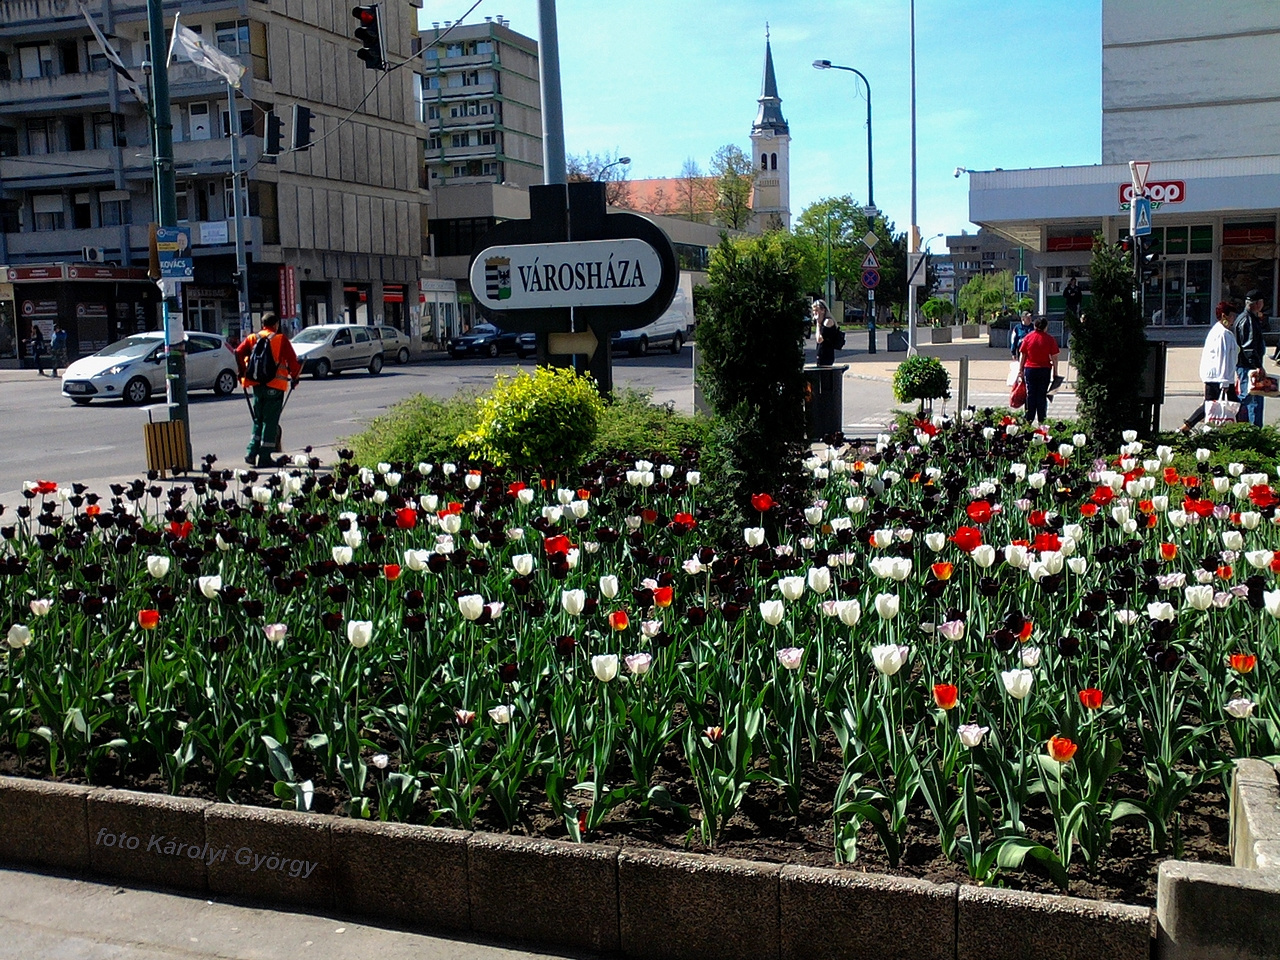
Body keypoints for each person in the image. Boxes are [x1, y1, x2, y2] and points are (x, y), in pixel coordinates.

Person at [234, 313, 302, 468]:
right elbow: (293, 361)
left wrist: (242, 372)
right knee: (270, 421)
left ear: (263, 324)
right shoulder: (280, 339)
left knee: (258, 419)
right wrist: (295, 378)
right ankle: (265, 456)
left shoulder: (253, 338)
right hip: (275, 386)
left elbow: (238, 352)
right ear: (276, 325)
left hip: (257, 385)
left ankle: (251, 452)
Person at [1180, 301, 1240, 433]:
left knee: (1213, 405)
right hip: (1219, 378)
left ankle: (1187, 427)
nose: (1233, 320)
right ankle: (1241, 432)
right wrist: (1224, 381)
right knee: (1220, 406)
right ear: (1224, 316)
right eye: (1232, 316)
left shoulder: (1221, 331)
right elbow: (1222, 357)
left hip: (1219, 377)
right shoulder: (1222, 334)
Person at [1234, 289, 1269, 427]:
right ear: (1257, 303)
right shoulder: (1247, 320)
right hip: (1248, 366)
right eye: (1261, 302)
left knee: (1250, 398)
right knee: (1252, 399)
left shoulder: (1247, 318)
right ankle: (1253, 432)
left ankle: (1248, 429)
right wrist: (1257, 366)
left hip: (1246, 365)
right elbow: (1248, 347)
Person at [1017, 316, 1060, 424]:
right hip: (1044, 370)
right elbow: (1054, 357)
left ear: (1035, 326)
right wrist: (1055, 371)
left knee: (1031, 394)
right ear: (1045, 327)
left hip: (1030, 369)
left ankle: (1028, 419)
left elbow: (1023, 354)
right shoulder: (1050, 339)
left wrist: (1020, 370)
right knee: (1041, 395)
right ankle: (1042, 421)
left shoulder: (1028, 337)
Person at [813, 299, 840, 366]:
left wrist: (818, 324)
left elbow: (819, 339)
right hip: (820, 355)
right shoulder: (821, 322)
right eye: (813, 310)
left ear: (823, 310)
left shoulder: (828, 322)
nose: (814, 313)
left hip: (826, 356)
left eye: (817, 310)